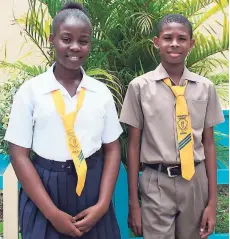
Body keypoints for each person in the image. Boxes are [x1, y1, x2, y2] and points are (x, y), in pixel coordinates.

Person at [5, 2, 122, 239]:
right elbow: (18, 154)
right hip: (45, 189)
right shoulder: (31, 92)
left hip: (92, 187)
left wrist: (102, 205)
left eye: (83, 40)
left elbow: (112, 149)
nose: (75, 47)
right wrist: (52, 213)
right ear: (51, 39)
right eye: (66, 39)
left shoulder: (100, 92)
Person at [120, 14, 224, 239]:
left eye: (182, 38)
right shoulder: (139, 87)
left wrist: (212, 204)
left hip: (195, 181)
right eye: (168, 38)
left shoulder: (205, 88)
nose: (175, 43)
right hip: (156, 181)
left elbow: (209, 144)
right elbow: (133, 146)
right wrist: (134, 205)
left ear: (191, 44)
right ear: (157, 42)